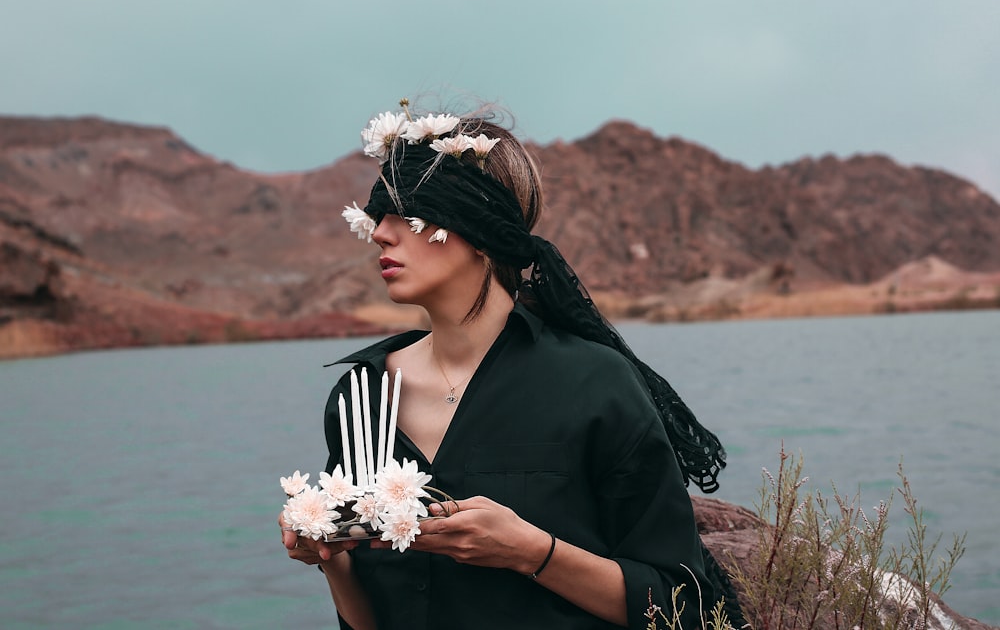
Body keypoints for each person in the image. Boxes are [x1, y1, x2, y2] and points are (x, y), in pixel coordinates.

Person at [281, 101, 743, 629]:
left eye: (405, 214)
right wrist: (333, 560)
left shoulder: (592, 385)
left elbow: (687, 608)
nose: (381, 233)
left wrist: (532, 553)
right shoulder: (361, 399)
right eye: (377, 215)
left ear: (478, 226)